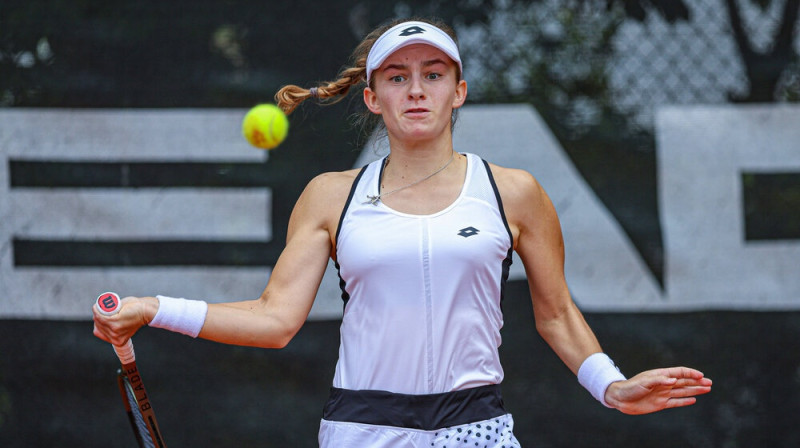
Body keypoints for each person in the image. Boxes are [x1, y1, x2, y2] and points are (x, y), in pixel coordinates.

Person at [93, 17, 712, 447]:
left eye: (433, 74)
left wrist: (613, 386)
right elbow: (274, 319)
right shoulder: (331, 196)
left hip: (479, 430)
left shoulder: (515, 192)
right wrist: (154, 308)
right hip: (365, 431)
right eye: (397, 77)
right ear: (372, 99)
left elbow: (556, 315)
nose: (416, 89)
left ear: (459, 92)